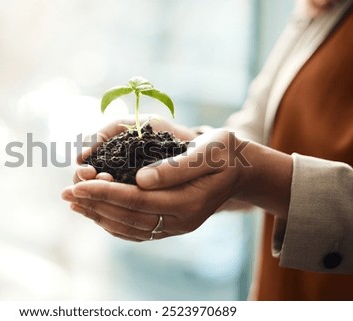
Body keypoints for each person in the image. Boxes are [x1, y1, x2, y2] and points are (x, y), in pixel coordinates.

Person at [62, 0, 353, 300]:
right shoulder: (322, 7)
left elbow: (253, 161)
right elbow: (258, 128)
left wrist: (253, 175)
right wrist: (192, 145)